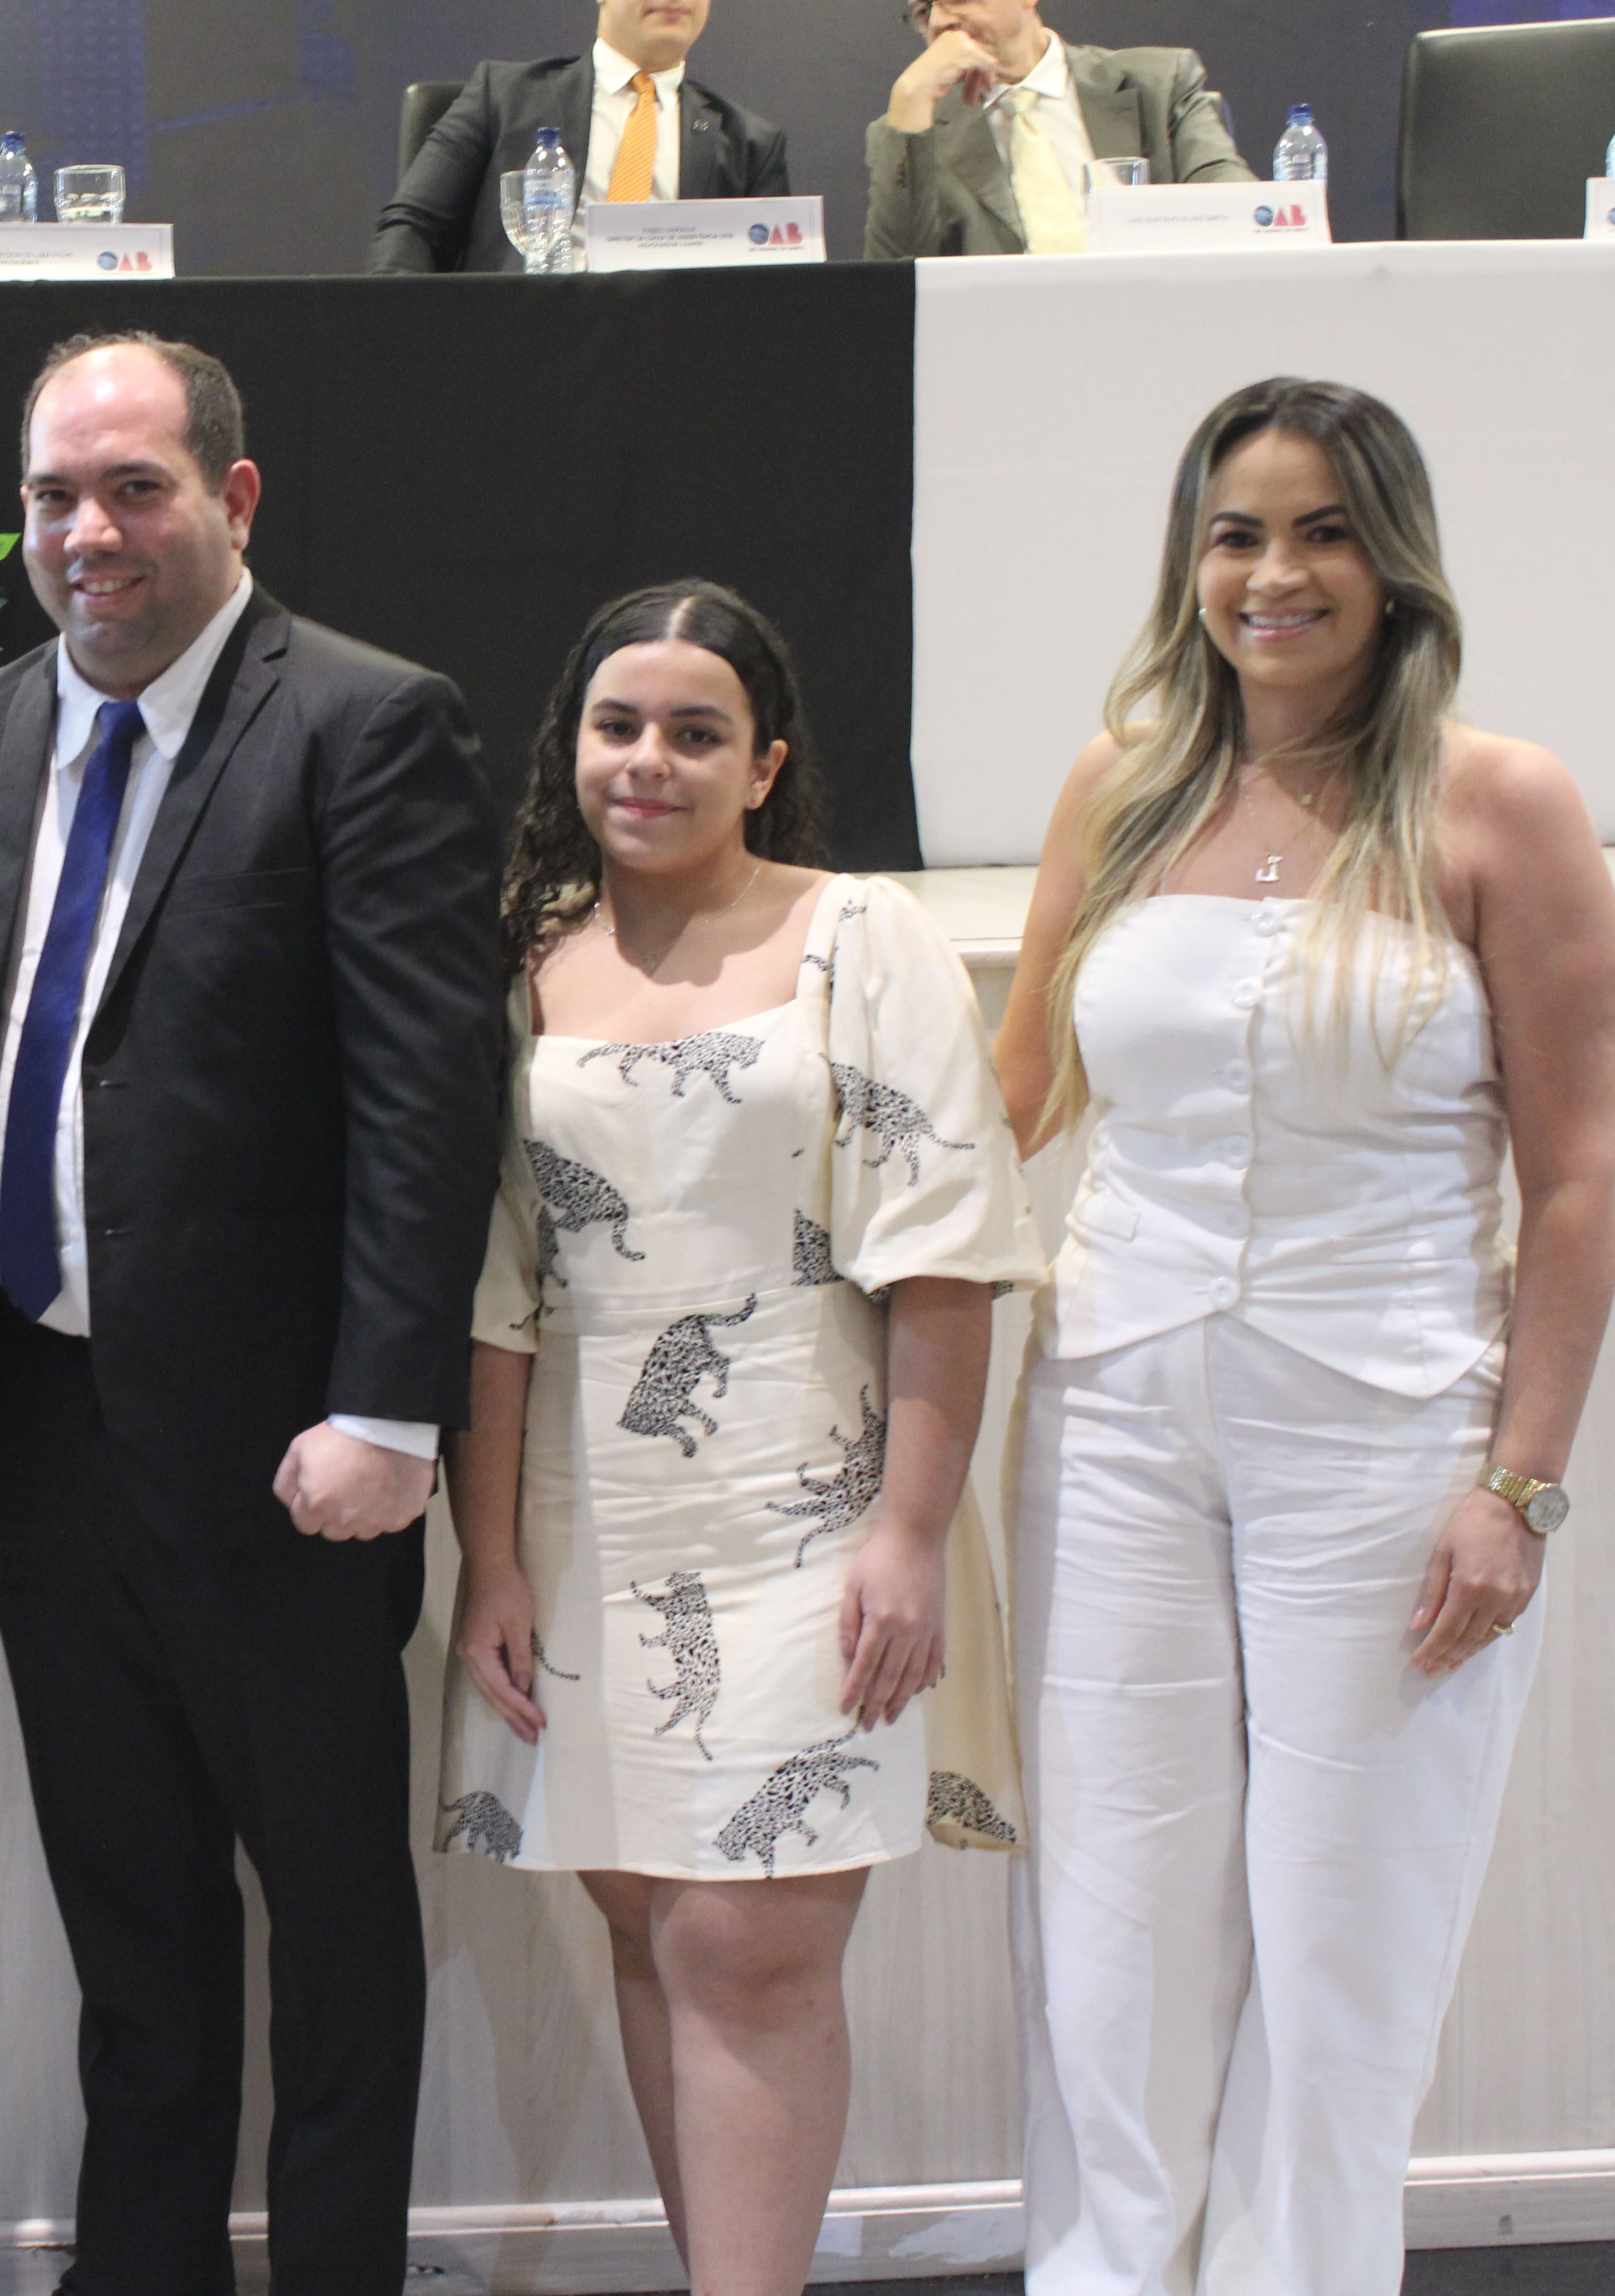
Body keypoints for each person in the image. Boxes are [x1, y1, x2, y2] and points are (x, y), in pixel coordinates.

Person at [0, 331, 509, 2294]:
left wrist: (389, 1411)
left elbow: (432, 1097)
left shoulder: (366, 725)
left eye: (134, 489)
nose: (89, 532)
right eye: (55, 496)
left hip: (289, 1453)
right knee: (132, 1927)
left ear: (232, 499)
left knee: (333, 1932)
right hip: (54, 1435)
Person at [992, 378, 1615, 2292]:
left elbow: (1577, 1181)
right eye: (1238, 534)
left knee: (1346, 1948)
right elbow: (1013, 1097)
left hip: (1392, 1432)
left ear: (1396, 560)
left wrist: (1520, 1485)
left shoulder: (1502, 804)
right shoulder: (1120, 788)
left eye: (1324, 530)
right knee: (1112, 1936)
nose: (1276, 574)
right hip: (1111, 1415)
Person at [436, 581, 1041, 2293]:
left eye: (696, 732)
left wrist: (908, 1532)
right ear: (571, 744)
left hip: (815, 1505)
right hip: (582, 1516)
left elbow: (943, 1253)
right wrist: (489, 1557)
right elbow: (494, 1291)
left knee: (747, 1944)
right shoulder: (516, 959)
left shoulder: (863, 935)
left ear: (763, 763)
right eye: (617, 724)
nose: (649, 760)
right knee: (646, 1922)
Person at [374, 0, 788, 274]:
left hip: (672, 360)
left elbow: (773, 296)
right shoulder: (502, 97)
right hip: (519, 346)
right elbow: (413, 229)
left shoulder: (750, 145)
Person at [863, 0, 1248, 261]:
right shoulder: (912, 132)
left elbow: (1241, 214)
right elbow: (889, 289)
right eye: (925, 10)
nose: (939, 22)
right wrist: (909, 100)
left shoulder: (1159, 86)